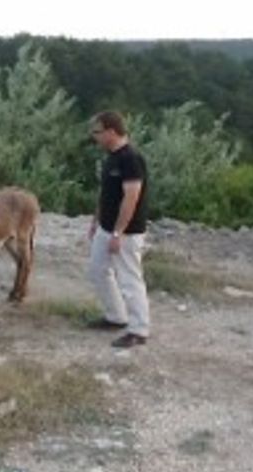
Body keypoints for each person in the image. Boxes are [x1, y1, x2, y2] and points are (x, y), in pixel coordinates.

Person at [86, 111, 150, 348]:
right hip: (106, 227)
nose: (96, 137)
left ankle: (139, 329)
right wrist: (96, 221)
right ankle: (116, 316)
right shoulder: (111, 158)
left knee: (129, 278)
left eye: (98, 132)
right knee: (96, 270)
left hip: (127, 232)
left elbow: (131, 197)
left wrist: (118, 232)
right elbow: (106, 194)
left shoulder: (131, 159)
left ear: (111, 131)